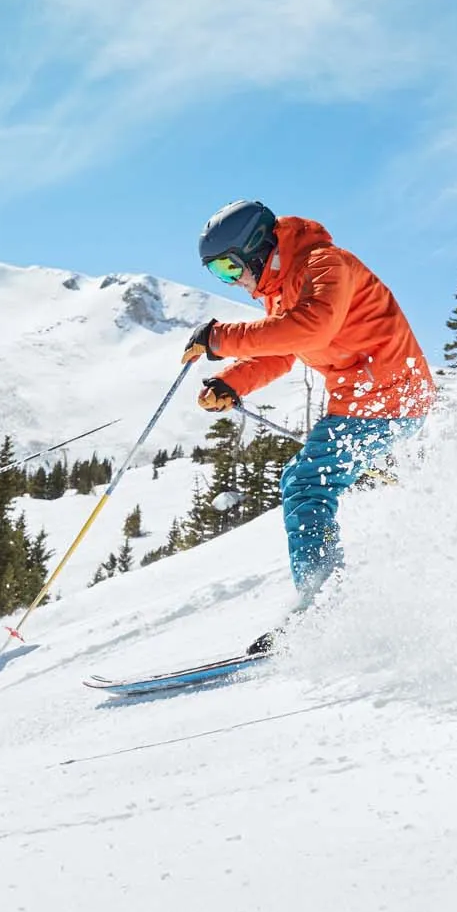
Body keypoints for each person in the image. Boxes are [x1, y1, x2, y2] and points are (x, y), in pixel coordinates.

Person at [181, 200, 434, 643]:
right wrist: (232, 382)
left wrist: (221, 338)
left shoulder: (324, 265)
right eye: (218, 273)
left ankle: (324, 609)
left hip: (390, 395)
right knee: (306, 481)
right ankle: (327, 602)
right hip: (366, 398)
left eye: (229, 267)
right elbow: (284, 349)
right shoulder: (283, 284)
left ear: (258, 249)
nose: (233, 281)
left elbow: (310, 329)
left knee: (306, 483)